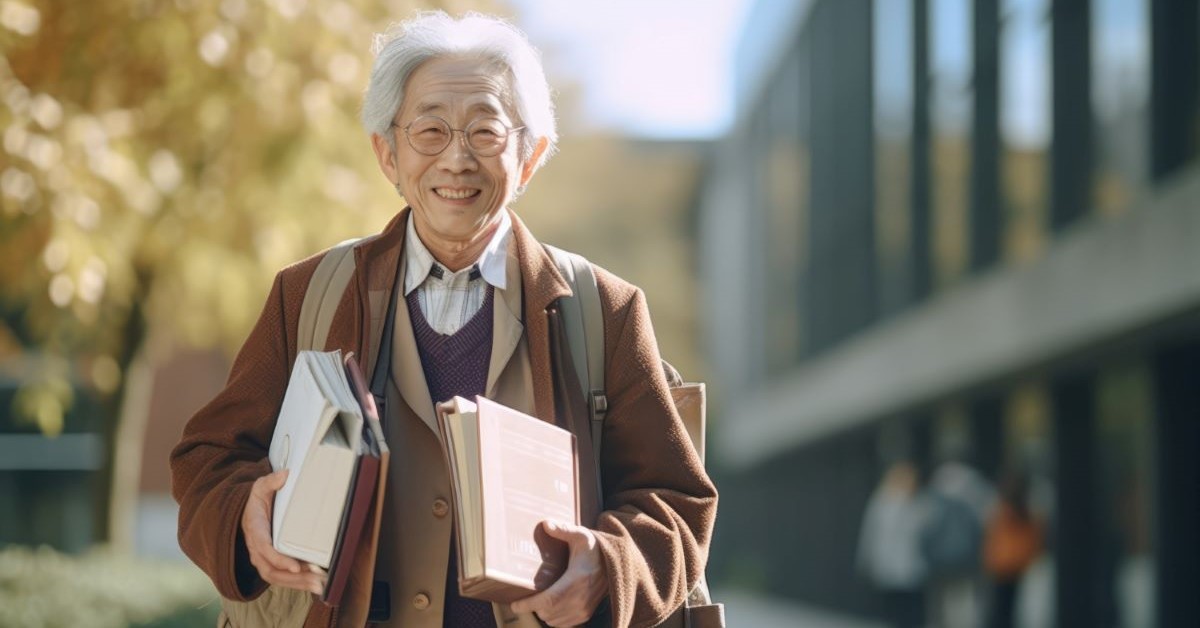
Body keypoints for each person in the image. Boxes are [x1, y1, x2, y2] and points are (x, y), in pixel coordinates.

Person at [169, 11, 717, 628]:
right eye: (430, 131)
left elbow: (675, 499)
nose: (456, 160)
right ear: (388, 154)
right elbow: (207, 457)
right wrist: (244, 512)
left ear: (530, 156)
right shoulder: (308, 295)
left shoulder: (605, 310)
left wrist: (608, 566)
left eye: (485, 132)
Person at [856, 461, 928, 628]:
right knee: (901, 607)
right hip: (898, 566)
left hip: (905, 567)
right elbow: (872, 534)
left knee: (903, 607)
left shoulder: (887, 502)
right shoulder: (888, 503)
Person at [982, 471, 1042, 628]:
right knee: (1008, 608)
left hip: (1004, 565)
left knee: (1000, 608)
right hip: (1014, 565)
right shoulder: (1024, 512)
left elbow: (992, 537)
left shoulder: (1005, 510)